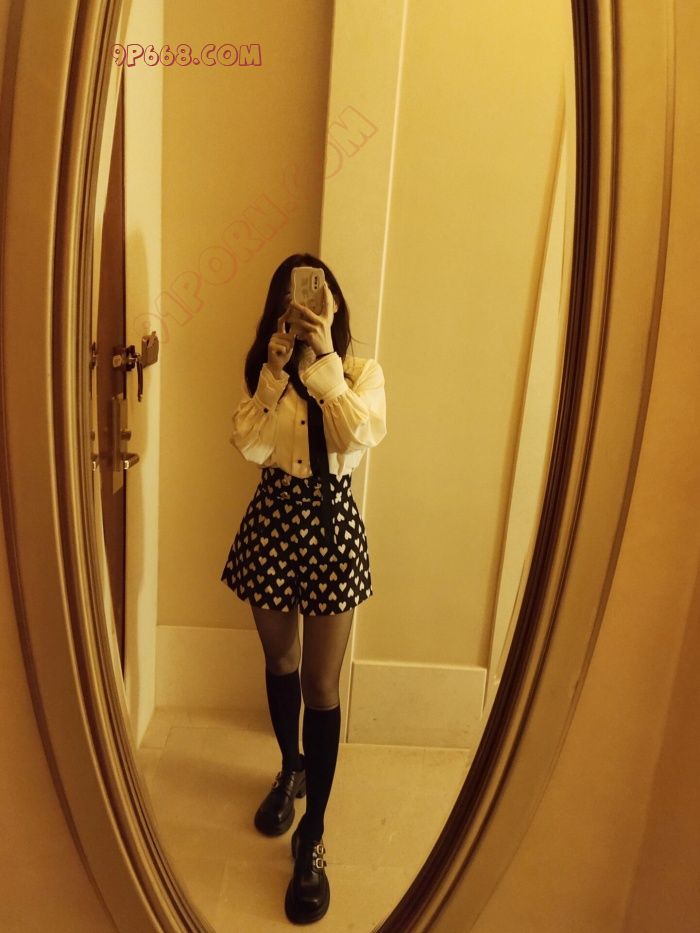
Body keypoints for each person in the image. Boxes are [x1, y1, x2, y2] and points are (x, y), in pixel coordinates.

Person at [220, 253, 387, 924]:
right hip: (272, 520)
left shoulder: (361, 374)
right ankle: (290, 766)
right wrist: (274, 374)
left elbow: (360, 436)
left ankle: (313, 833)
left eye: (318, 299)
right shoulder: (268, 371)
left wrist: (323, 369)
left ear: (334, 306)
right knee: (280, 659)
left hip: (331, 524)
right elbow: (247, 445)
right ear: (279, 309)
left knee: (321, 683)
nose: (307, 309)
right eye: (294, 301)